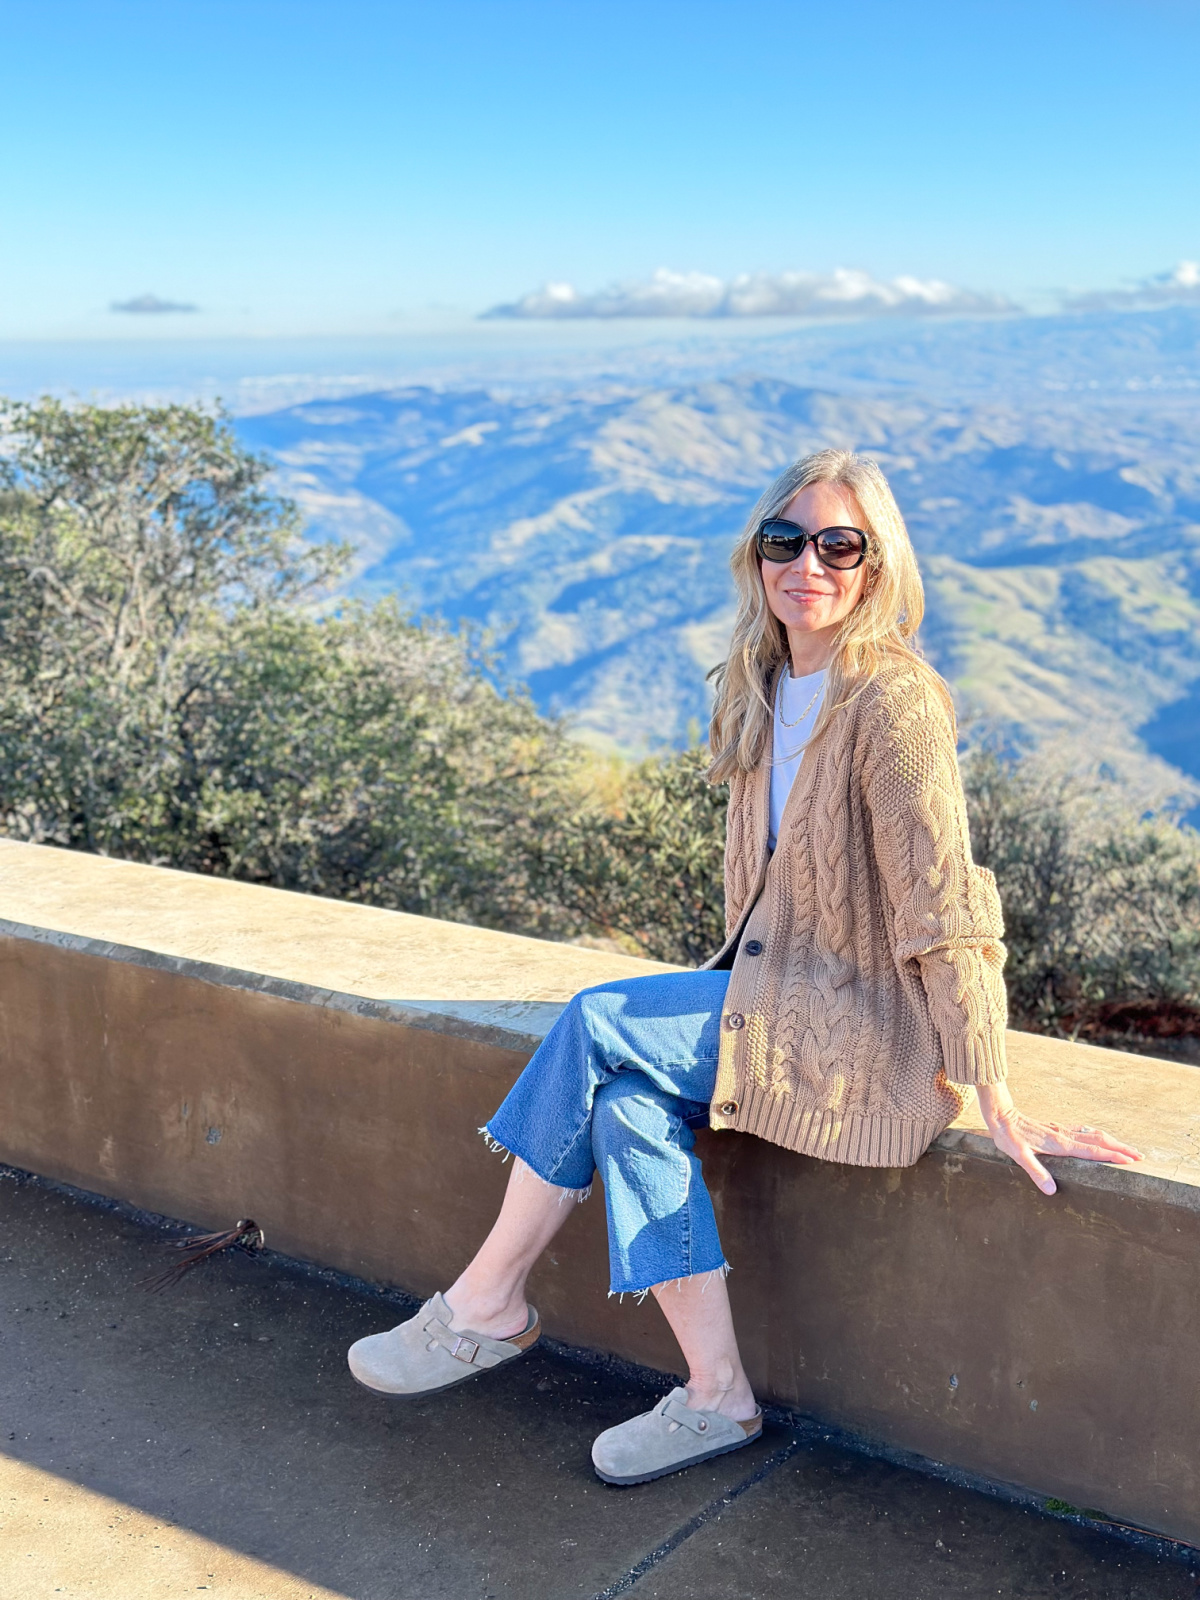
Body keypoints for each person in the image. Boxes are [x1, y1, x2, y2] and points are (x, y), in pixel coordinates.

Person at [346, 449, 1142, 1486]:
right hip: (769, 1004)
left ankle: (484, 1303)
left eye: (838, 544)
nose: (807, 562)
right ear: (758, 556)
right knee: (625, 1105)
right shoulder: (763, 686)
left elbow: (946, 898)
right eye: (786, 540)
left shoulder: (892, 703)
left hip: (861, 1030)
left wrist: (987, 1076)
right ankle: (718, 1395)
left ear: (874, 566)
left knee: (595, 1018)